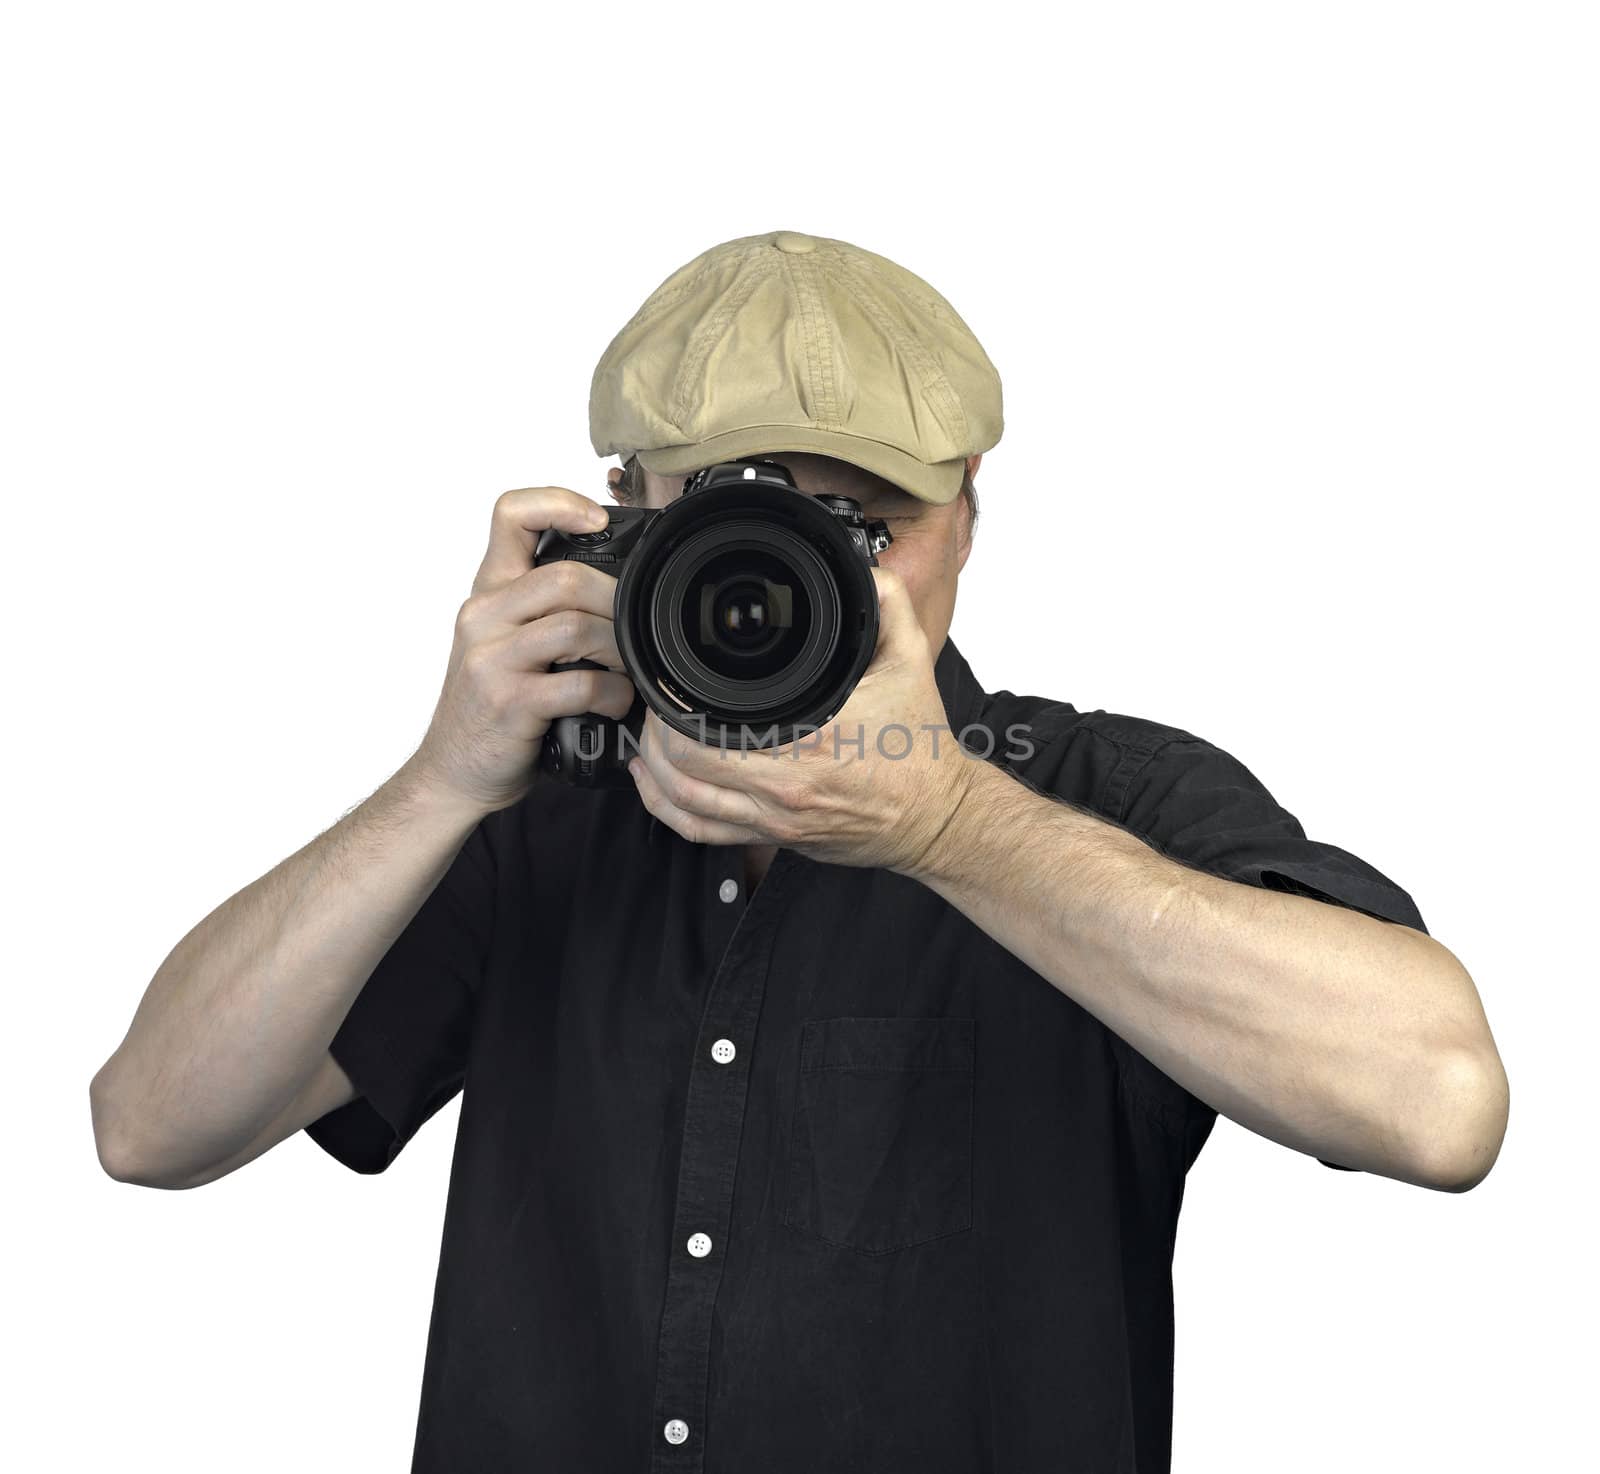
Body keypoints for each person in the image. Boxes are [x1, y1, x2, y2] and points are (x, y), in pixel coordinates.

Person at [89, 229, 1509, 1473]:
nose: (805, 582)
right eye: (734, 527)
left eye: (866, 529)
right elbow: (149, 1125)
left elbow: (1440, 1101)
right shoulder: (536, 809)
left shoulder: (1093, 799)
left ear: (970, 516)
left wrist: (952, 824)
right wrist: (443, 778)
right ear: (619, 512)